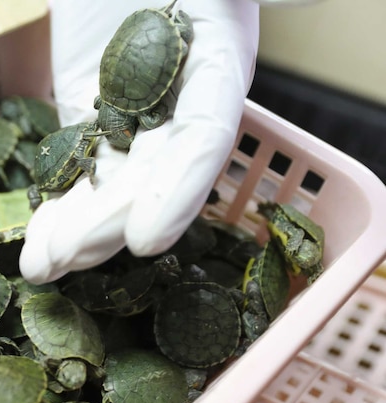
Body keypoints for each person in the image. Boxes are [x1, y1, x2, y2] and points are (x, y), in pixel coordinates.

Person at [19, 0, 319, 285]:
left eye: (120, 135)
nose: (121, 139)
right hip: (135, 46)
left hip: (137, 46)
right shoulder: (106, 112)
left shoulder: (108, 105)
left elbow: (152, 115)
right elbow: (151, 114)